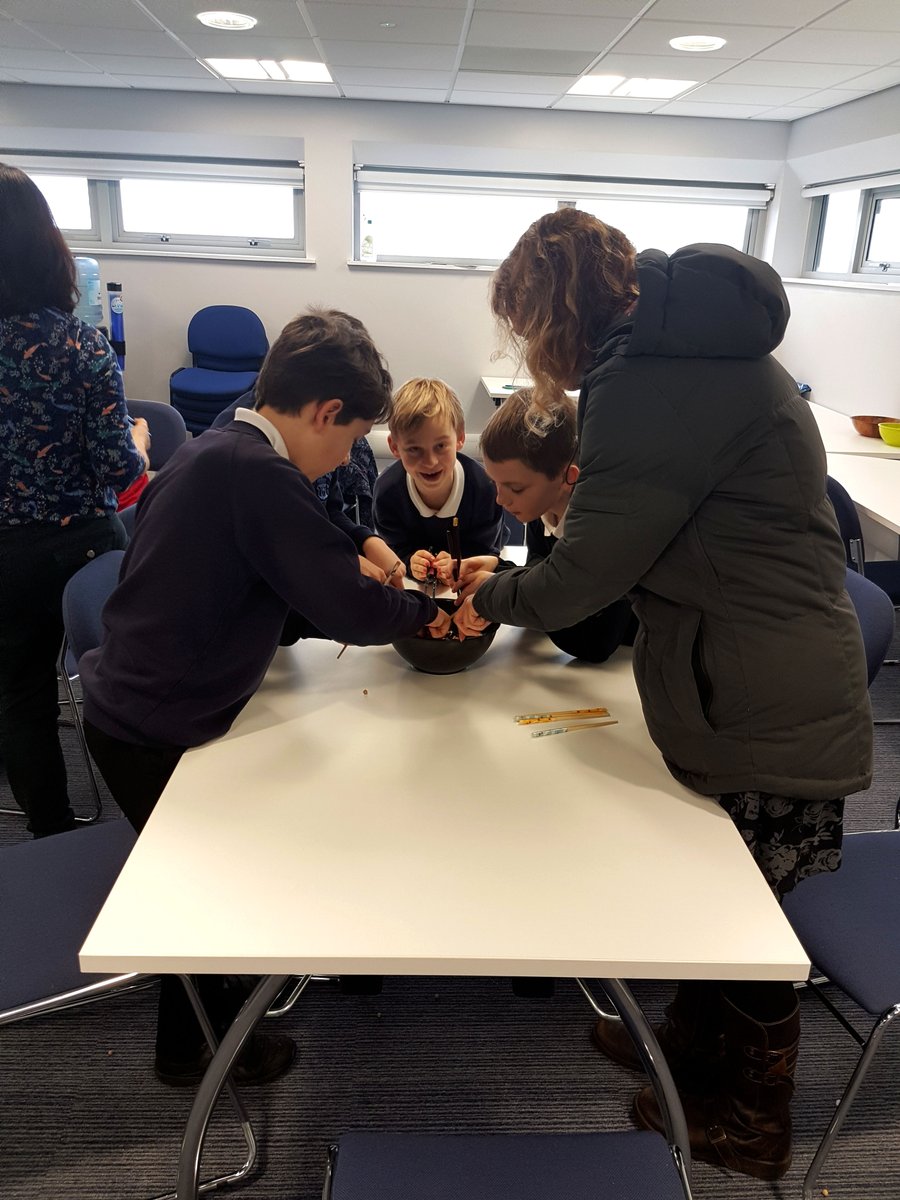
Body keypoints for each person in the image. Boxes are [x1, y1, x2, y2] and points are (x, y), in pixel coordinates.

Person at [455, 209, 873, 1180]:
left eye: (525, 325)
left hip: (764, 685)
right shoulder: (695, 350)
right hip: (754, 656)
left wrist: (492, 595)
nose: (531, 351)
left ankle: (754, 1122)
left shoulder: (647, 381)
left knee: (746, 914)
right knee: (720, 883)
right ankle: (692, 1050)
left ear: (555, 310)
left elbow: (588, 574)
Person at [80, 307, 449, 1087]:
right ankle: (208, 1052)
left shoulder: (221, 444)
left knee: (199, 882)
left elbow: (303, 532)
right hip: (156, 724)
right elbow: (346, 608)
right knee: (209, 894)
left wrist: (357, 550)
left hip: (132, 705)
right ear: (323, 414)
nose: (345, 456)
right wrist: (431, 614)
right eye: (350, 440)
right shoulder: (256, 473)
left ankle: (194, 1037)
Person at [0, 162, 150, 838]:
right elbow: (120, 470)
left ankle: (50, 833)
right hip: (85, 543)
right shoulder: (79, 345)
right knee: (123, 681)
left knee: (21, 696)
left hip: (7, 551)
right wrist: (142, 443)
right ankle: (146, 815)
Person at [458, 387, 636, 662]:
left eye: (515, 488)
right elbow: (544, 574)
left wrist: (500, 595)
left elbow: (594, 642)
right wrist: (498, 570)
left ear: (568, 478)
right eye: (496, 483)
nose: (500, 499)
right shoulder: (542, 509)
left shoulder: (604, 531)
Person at [212, 392, 404, 587]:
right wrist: (338, 560)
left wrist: (365, 539)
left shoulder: (313, 440)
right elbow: (278, 548)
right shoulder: (239, 459)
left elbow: (326, 512)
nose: (346, 460)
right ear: (323, 415)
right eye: (350, 439)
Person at [373, 377, 505, 583]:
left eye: (441, 446)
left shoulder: (486, 489)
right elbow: (393, 549)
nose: (430, 461)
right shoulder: (386, 492)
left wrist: (458, 564)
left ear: (460, 437)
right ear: (395, 447)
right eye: (414, 449)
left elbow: (487, 552)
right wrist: (410, 561)